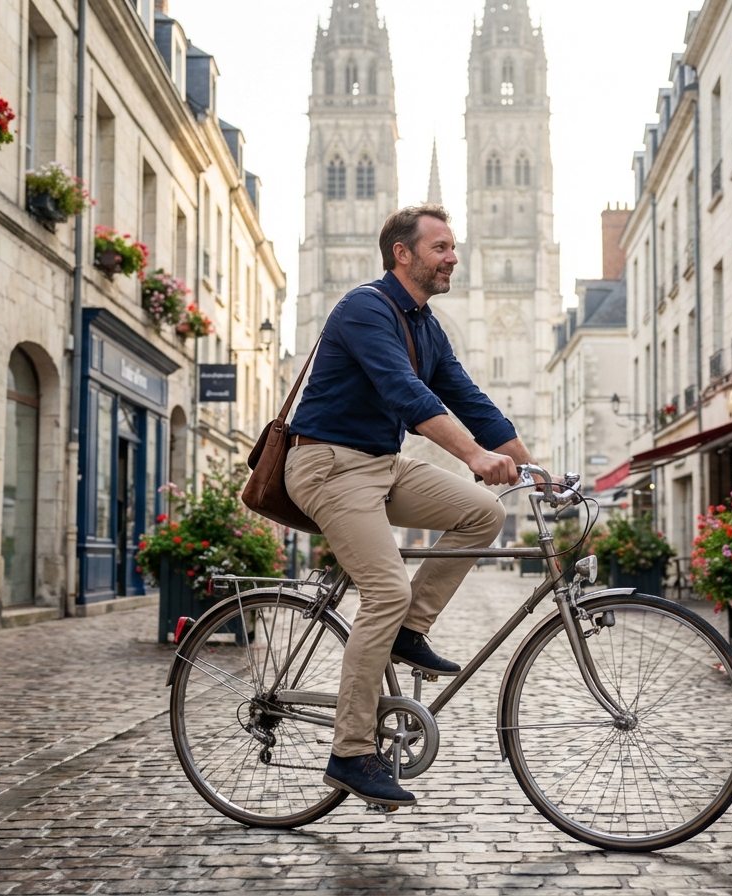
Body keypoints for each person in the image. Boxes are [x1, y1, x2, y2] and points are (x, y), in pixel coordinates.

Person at [285, 205, 534, 808]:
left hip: (377, 463)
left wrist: (529, 467)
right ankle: (350, 752)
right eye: (441, 247)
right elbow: (405, 392)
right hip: (327, 463)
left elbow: (466, 395)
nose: (454, 257)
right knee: (385, 590)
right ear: (403, 253)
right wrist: (474, 455)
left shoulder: (426, 324)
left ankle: (409, 631)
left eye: (453, 247)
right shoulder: (364, 307)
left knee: (484, 513)